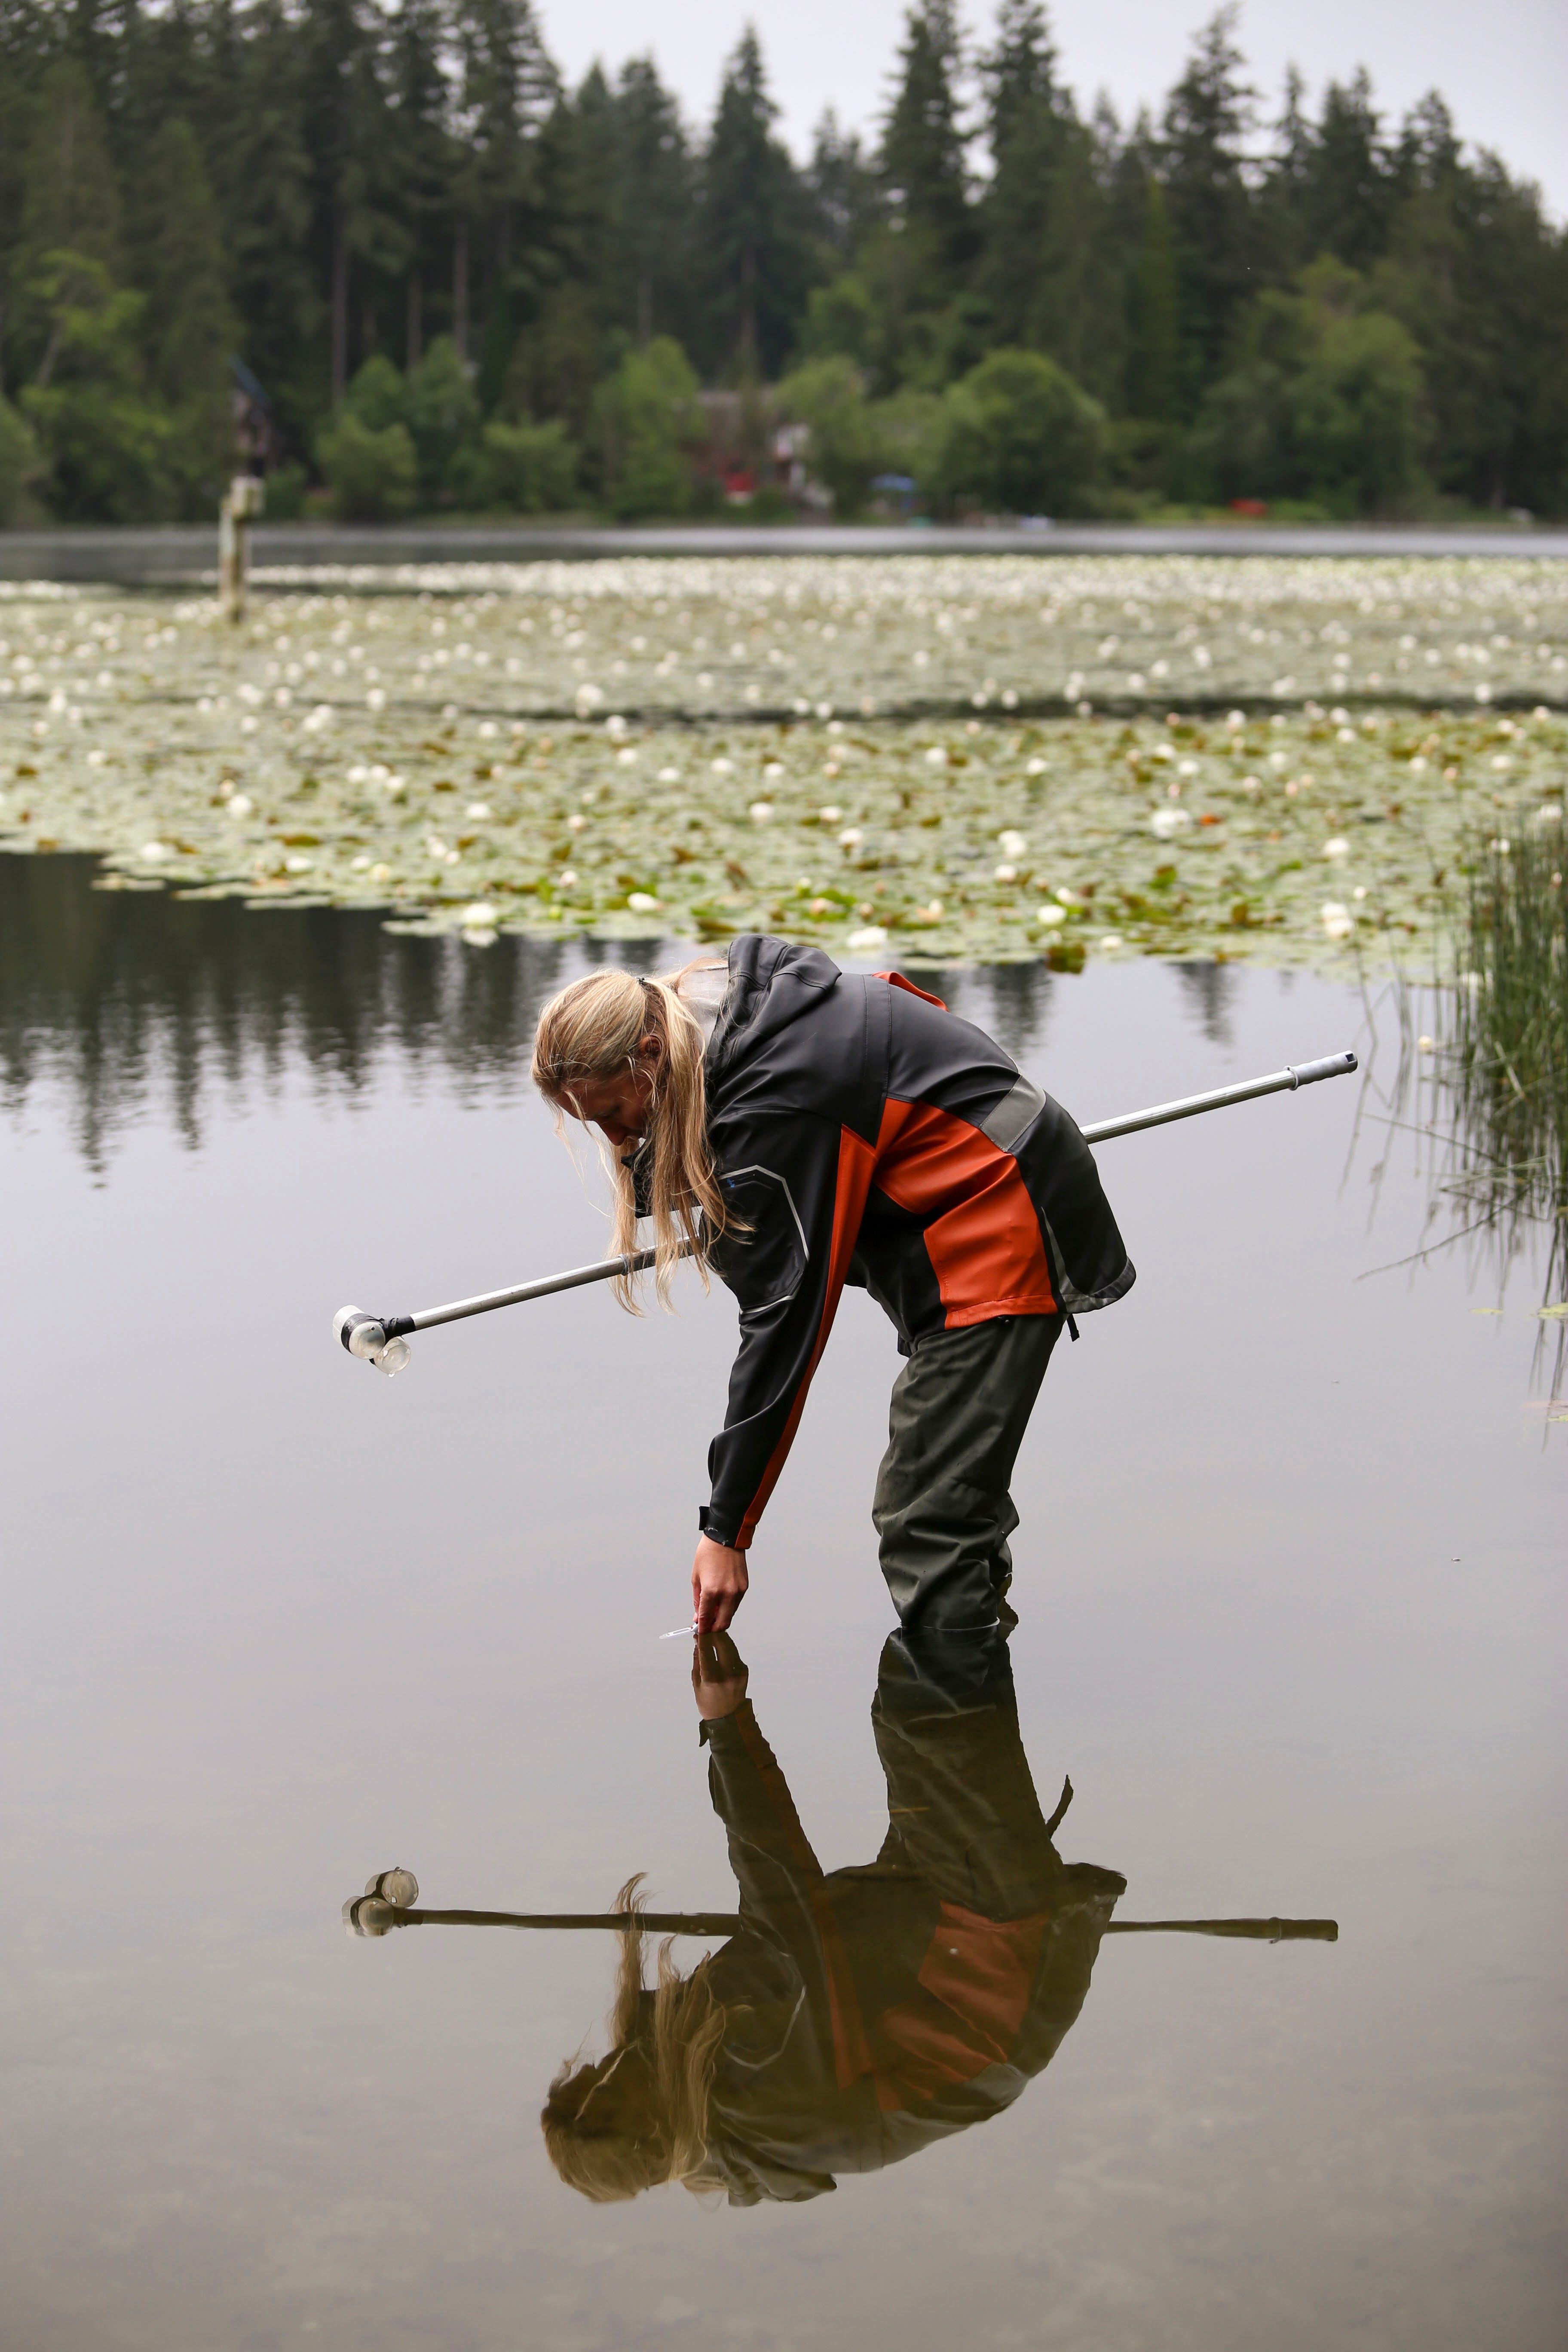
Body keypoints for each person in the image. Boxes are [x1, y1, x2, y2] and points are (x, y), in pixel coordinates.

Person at [530, 935, 1133, 1636]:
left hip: (1002, 1222)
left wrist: (726, 1531)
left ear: (649, 1052)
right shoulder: (725, 1016)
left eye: (609, 1113)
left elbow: (785, 1322)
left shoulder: (779, 1097)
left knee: (926, 1521)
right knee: (952, 1500)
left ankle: (960, 1719)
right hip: (946, 1210)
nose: (614, 1140)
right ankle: (975, 1663)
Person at [541, 1624, 1127, 2205]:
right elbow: (781, 1893)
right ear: (654, 2131)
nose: (612, 2066)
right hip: (984, 1979)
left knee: (925, 1691)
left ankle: (966, 1575)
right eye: (611, 2093)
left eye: (594, 2072)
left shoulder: (709, 2092)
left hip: (919, 1938)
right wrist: (727, 1725)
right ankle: (955, 1559)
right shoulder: (749, 2086)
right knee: (927, 1702)